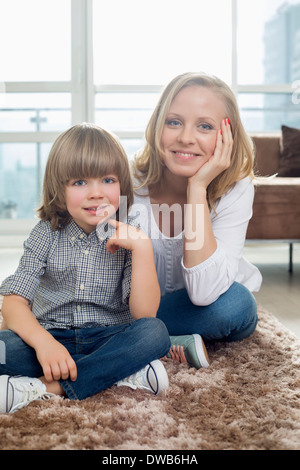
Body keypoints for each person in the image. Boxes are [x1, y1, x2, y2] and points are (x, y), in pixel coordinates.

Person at [0, 123, 170, 414]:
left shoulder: (132, 233)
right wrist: (44, 344)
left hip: (108, 337)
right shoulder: (47, 232)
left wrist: (142, 248)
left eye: (107, 180)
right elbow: (14, 303)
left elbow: (145, 315)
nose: (96, 193)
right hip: (52, 337)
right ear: (60, 189)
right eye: (79, 182)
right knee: (4, 349)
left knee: (155, 333)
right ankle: (121, 374)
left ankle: (45, 388)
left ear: (122, 185)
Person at [131, 72, 262, 368]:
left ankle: (124, 336)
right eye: (174, 122)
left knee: (237, 306)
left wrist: (198, 188)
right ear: (157, 126)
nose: (186, 137)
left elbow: (205, 294)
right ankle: (157, 338)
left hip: (199, 306)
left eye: (204, 126)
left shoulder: (236, 189)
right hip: (137, 306)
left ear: (226, 136)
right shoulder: (127, 181)